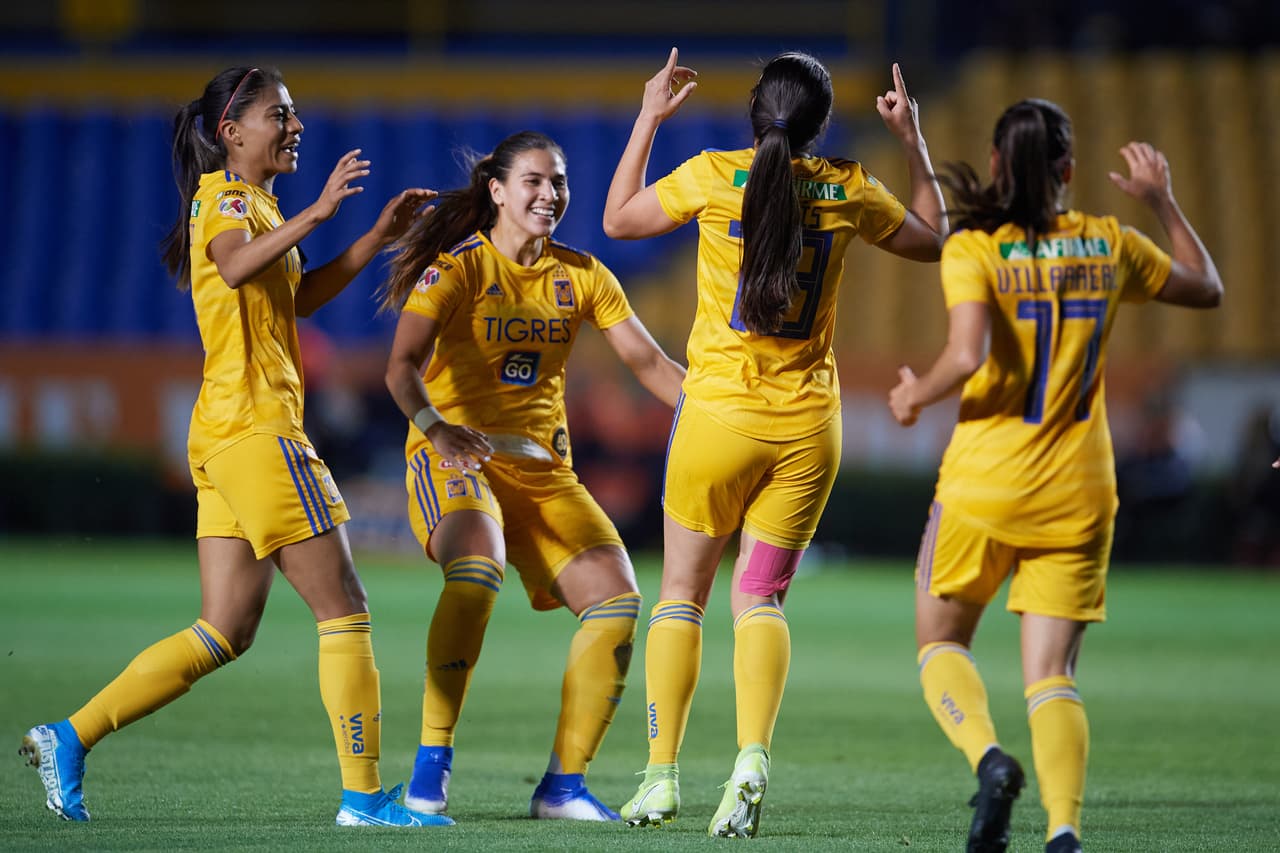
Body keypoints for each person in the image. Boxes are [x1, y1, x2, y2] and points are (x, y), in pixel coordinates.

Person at [19, 65, 452, 829]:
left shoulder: (256, 205)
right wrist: (319, 212)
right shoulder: (223, 198)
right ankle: (363, 799)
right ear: (232, 131)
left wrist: (375, 236)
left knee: (224, 629)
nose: (296, 126)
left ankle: (69, 735)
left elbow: (295, 296)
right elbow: (231, 262)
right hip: (259, 430)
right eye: (279, 114)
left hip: (223, 435)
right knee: (345, 608)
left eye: (295, 113)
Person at [602, 49, 947, 837]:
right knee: (759, 597)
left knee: (681, 597)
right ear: (822, 124)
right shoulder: (849, 186)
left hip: (716, 424)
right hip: (805, 433)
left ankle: (660, 779)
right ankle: (751, 758)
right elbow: (934, 239)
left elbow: (618, 220)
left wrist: (651, 113)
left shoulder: (716, 173)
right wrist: (914, 139)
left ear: (755, 112)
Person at [887, 101, 1223, 853]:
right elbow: (1207, 287)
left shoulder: (975, 247)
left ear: (999, 167)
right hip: (1080, 488)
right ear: (1069, 171)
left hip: (986, 479)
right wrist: (1161, 199)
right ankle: (1065, 830)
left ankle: (989, 757)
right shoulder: (1109, 243)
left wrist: (915, 392)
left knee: (940, 643)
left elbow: (968, 354)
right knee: (1052, 675)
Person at [378, 129, 686, 821]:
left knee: (618, 600)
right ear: (496, 190)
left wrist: (722, 412)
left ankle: (563, 787)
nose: (551, 194)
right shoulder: (454, 269)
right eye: (535, 181)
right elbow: (400, 367)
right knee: (476, 568)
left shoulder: (583, 274)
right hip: (454, 458)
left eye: (560, 183)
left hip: (544, 472)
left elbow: (652, 367)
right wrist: (436, 428)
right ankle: (432, 765)